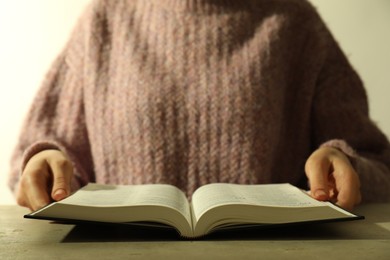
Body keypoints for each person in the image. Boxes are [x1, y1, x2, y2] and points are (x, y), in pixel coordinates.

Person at [9, 0, 390, 212]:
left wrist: (344, 164)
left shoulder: (296, 25)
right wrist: (46, 170)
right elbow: (40, 162)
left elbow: (380, 166)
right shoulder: (103, 21)